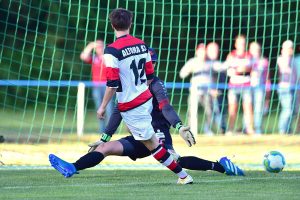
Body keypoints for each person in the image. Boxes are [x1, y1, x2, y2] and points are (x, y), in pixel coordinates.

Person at [49, 8, 195, 184]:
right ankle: (72, 167)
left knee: (154, 146)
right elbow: (149, 75)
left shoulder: (111, 50)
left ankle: (184, 176)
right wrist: (137, 92)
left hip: (134, 108)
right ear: (130, 23)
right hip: (142, 103)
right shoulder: (142, 45)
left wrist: (102, 106)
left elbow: (112, 83)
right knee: (111, 146)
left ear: (112, 25)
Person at [49, 48, 244, 180]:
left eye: (152, 63)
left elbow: (166, 108)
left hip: (157, 132)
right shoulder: (128, 84)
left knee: (175, 160)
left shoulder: (156, 84)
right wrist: (104, 137)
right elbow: (118, 110)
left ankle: (221, 165)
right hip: (138, 134)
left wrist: (178, 126)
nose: (148, 67)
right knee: (106, 148)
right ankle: (72, 167)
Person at [180, 44, 214, 135]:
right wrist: (189, 70)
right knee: (193, 111)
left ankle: (208, 129)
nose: (202, 53)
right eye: (201, 51)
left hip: (207, 91)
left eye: (204, 51)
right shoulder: (192, 62)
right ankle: (193, 131)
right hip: (195, 90)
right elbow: (182, 73)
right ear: (197, 52)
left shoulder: (210, 62)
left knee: (209, 112)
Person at [80, 40, 114, 132]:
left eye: (100, 47)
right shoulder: (95, 58)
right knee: (99, 108)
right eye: (97, 47)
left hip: (108, 87)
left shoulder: (108, 58)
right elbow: (83, 56)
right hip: (96, 87)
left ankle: (110, 129)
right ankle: (102, 129)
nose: (99, 49)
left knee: (109, 108)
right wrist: (90, 46)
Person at [225, 35, 254, 135]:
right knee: (232, 108)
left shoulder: (249, 55)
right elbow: (229, 70)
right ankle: (230, 129)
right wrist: (239, 69)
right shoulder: (231, 55)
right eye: (240, 43)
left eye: (243, 42)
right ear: (236, 44)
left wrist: (238, 69)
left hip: (246, 84)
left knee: (248, 107)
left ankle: (249, 129)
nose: (242, 45)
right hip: (234, 85)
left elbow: (249, 68)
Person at [206, 42, 228, 134]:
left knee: (221, 110)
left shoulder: (217, 63)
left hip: (220, 91)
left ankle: (222, 130)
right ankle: (208, 129)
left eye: (216, 50)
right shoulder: (206, 63)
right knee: (212, 111)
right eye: (212, 50)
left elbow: (222, 69)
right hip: (207, 92)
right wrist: (210, 89)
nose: (215, 52)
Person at [249, 42, 270, 134]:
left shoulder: (264, 61)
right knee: (248, 109)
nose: (255, 51)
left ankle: (258, 129)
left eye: (257, 49)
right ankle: (247, 128)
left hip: (259, 88)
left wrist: (267, 92)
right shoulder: (246, 60)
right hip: (247, 88)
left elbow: (267, 78)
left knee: (258, 109)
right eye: (253, 49)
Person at [277, 40, 297, 134]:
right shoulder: (281, 59)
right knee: (287, 109)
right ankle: (282, 129)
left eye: (291, 48)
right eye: (289, 48)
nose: (291, 50)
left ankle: (288, 129)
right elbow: (285, 69)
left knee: (292, 110)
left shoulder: (294, 59)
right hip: (284, 88)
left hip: (293, 88)